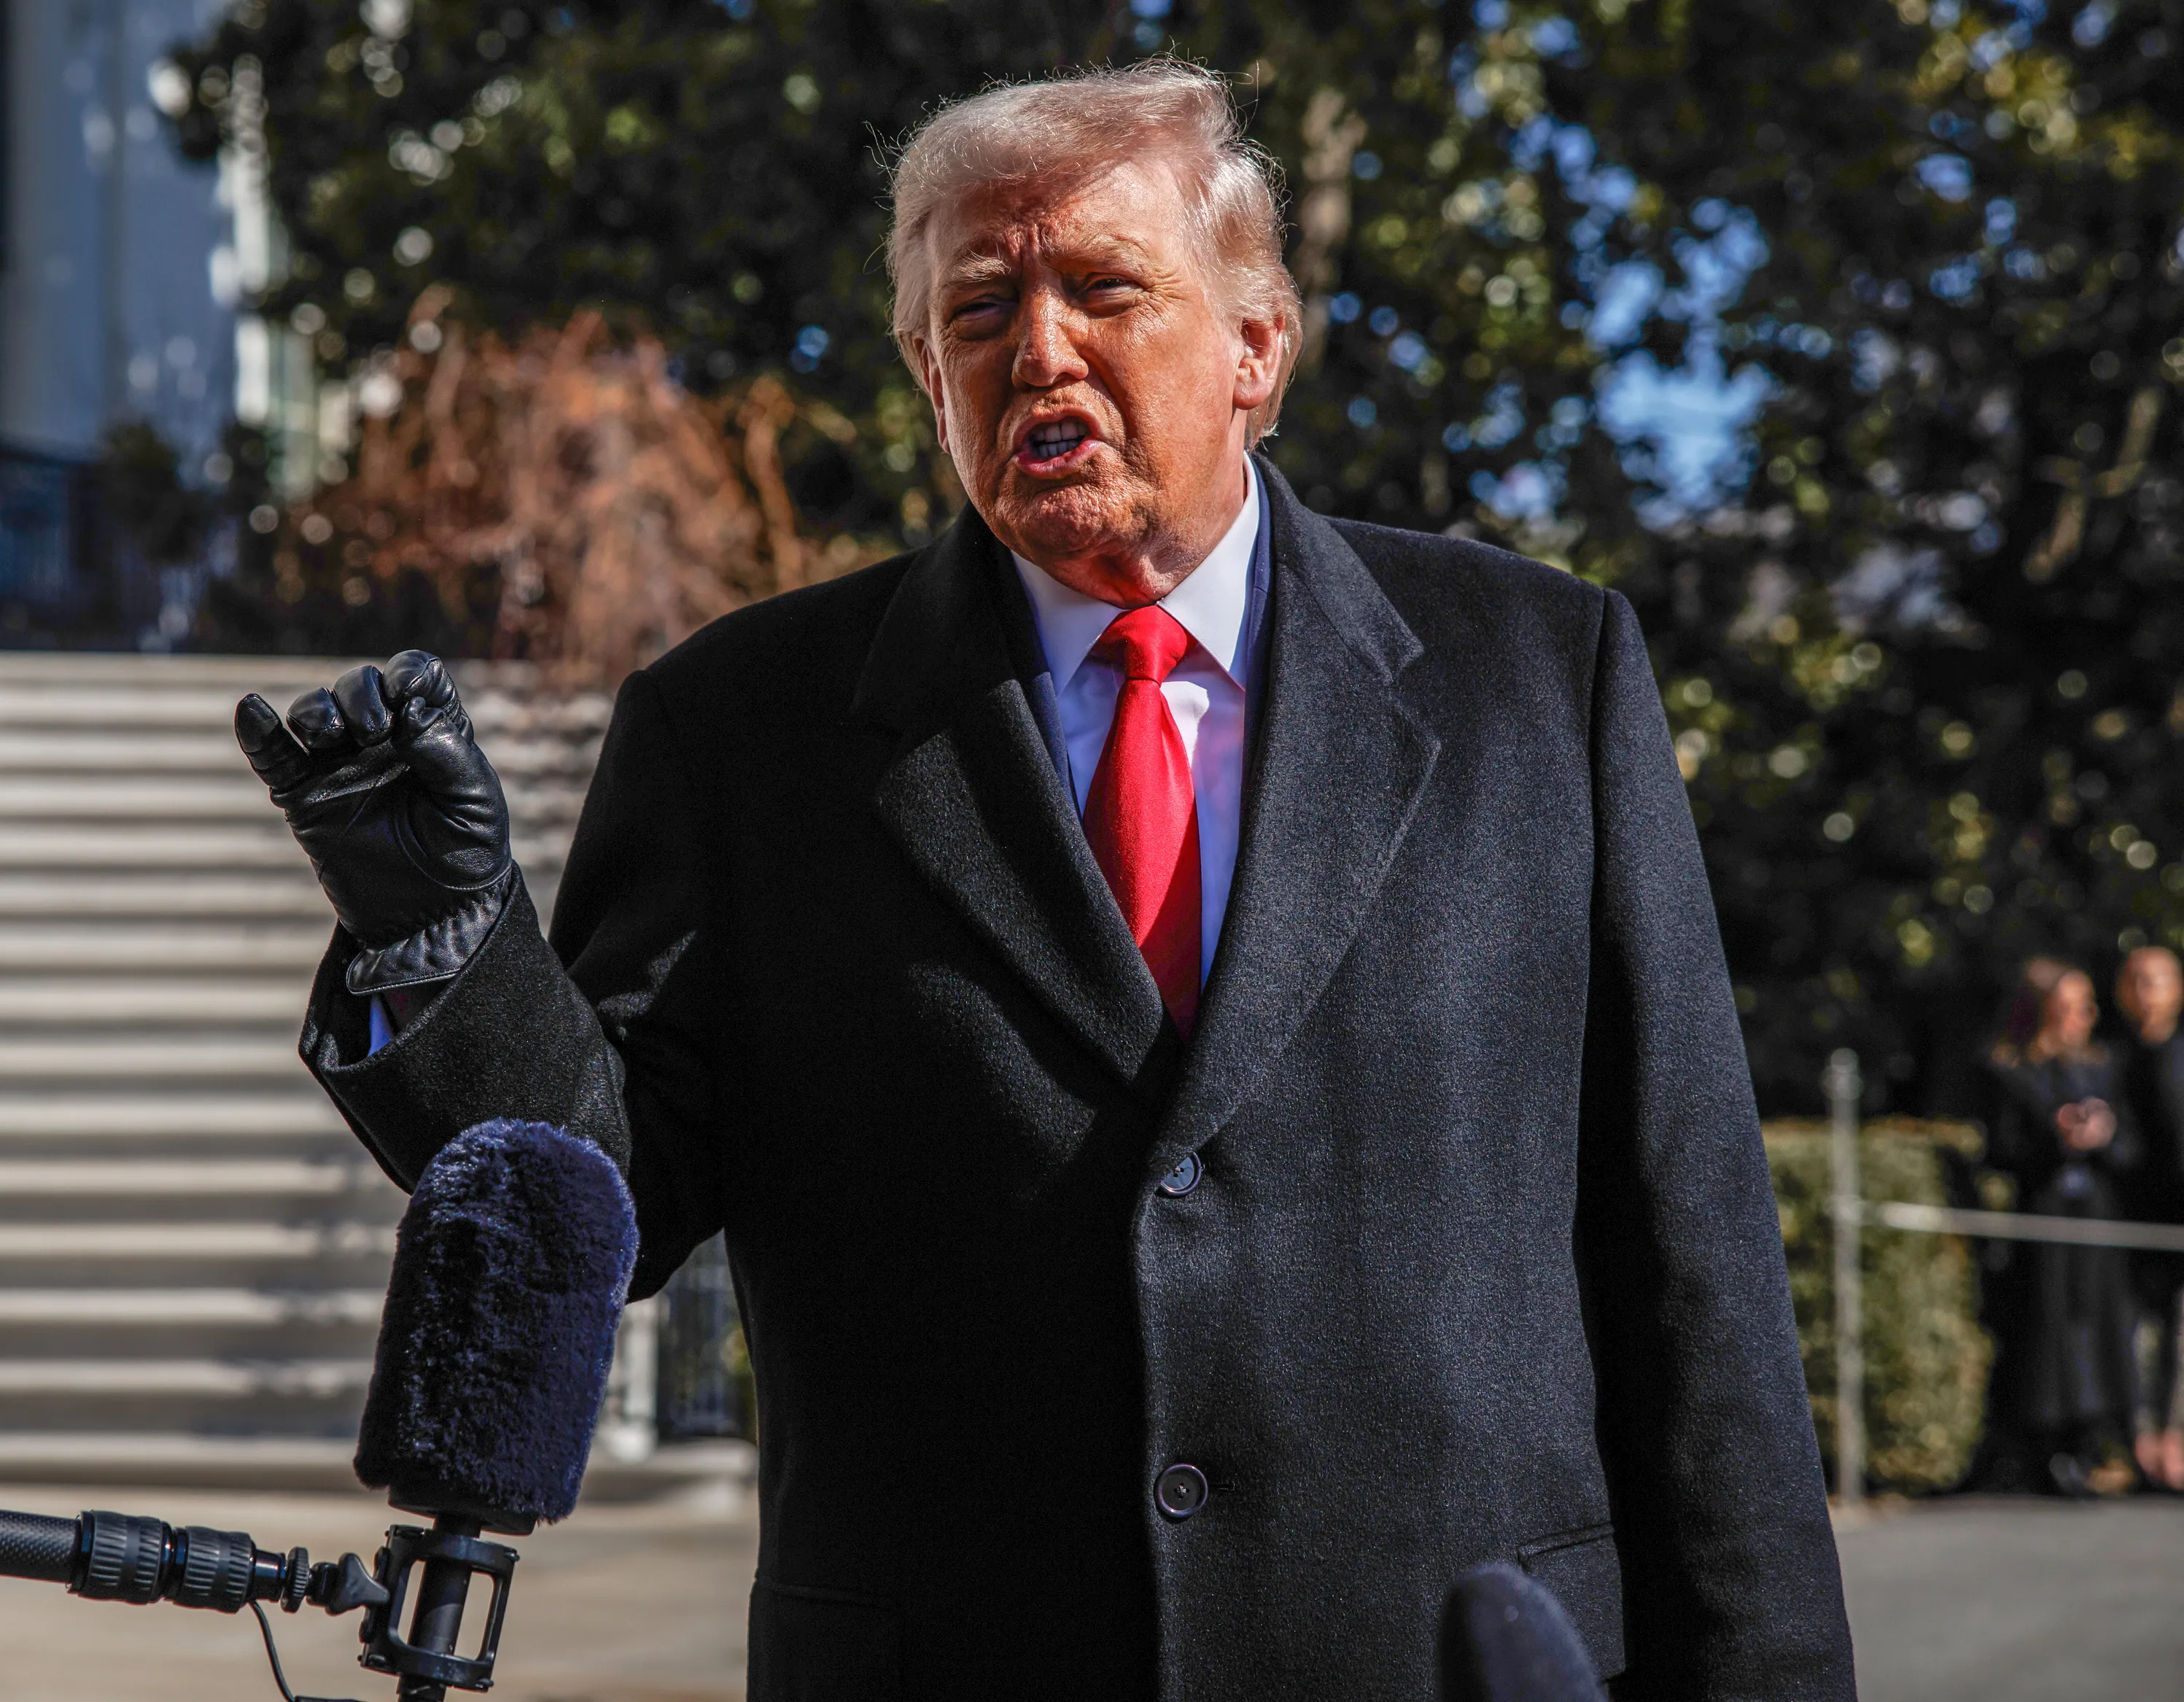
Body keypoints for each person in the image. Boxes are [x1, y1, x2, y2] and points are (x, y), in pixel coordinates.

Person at [238, 62, 1852, 1699]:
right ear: (925, 370)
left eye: (1103, 288)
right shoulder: (744, 727)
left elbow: (1695, 1264)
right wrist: (448, 951)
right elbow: (610, 1206)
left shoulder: (1538, 676)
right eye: (983, 307)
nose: (1043, 349)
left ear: (1255, 349)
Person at [1986, 957, 2138, 1496]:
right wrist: (2053, 1137)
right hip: (2046, 1217)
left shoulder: (2101, 1066)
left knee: (2097, 1325)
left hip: (2094, 1217)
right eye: (2071, 1006)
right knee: (2047, 1328)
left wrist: (2104, 1135)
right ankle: (2044, 1449)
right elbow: (2000, 1149)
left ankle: (2091, 1441)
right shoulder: (2012, 1070)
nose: (2084, 1016)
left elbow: (2130, 1148)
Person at [2113, 945, 2184, 1490]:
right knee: (2135, 1333)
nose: (2146, 991)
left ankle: (2174, 1444)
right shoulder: (2110, 1060)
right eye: (2136, 980)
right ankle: (2138, 1446)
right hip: (2126, 1219)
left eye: (2156, 980)